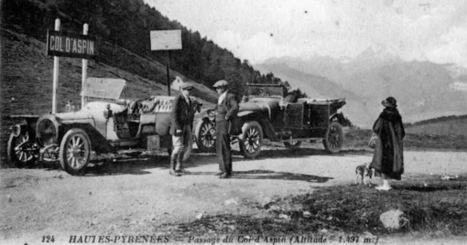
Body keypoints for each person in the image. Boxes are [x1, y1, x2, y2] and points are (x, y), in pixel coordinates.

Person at [369, 96, 405, 191]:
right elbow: (401, 132)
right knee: (392, 162)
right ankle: (387, 184)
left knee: (383, 162)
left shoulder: (383, 115)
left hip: (383, 142)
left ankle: (385, 185)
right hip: (394, 144)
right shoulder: (397, 115)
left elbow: (376, 127)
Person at [213, 80, 239, 179]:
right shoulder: (221, 97)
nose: (216, 90)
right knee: (219, 146)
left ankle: (227, 171)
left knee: (224, 146)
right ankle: (222, 169)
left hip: (224, 123)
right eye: (216, 88)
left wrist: (228, 115)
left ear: (223, 88)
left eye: (218, 88)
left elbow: (235, 106)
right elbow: (218, 108)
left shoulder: (229, 96)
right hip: (219, 123)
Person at [169, 83, 196, 176]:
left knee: (184, 146)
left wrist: (189, 126)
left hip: (187, 125)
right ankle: (172, 169)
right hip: (179, 126)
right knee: (177, 147)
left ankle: (179, 167)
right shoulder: (178, 99)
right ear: (182, 90)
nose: (188, 92)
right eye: (187, 90)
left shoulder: (189, 100)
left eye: (190, 90)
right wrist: (178, 128)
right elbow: (174, 115)